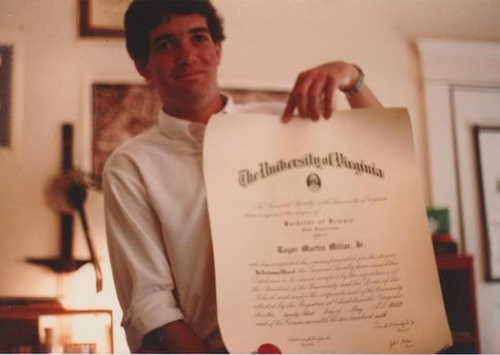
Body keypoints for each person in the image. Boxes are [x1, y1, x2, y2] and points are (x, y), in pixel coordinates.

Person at [103, 0, 382, 352]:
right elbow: (151, 306)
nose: (187, 55)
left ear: (218, 49)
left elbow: (385, 166)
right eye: (166, 44)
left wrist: (351, 77)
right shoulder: (131, 166)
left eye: (199, 38)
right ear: (143, 64)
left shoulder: (284, 121)